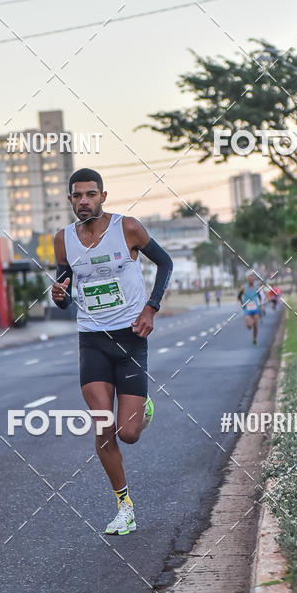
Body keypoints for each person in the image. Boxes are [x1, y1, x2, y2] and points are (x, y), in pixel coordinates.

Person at [51, 168, 173, 536]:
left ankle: (142, 409)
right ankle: (124, 505)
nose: (84, 201)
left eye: (91, 194)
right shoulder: (63, 240)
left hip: (131, 336)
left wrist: (151, 307)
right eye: (77, 195)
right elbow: (65, 288)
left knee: (129, 432)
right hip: (92, 339)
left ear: (103, 196)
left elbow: (164, 263)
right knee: (104, 427)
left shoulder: (128, 228)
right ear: (70, 200)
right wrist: (59, 296)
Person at [237, 272, 264, 345]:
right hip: (247, 309)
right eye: (250, 278)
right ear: (247, 279)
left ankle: (254, 339)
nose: (251, 280)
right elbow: (239, 296)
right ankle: (250, 325)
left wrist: (261, 305)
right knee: (249, 326)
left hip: (256, 309)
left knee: (255, 324)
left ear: (254, 279)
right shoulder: (244, 288)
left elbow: (260, 297)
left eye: (252, 278)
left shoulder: (257, 288)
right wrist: (242, 303)